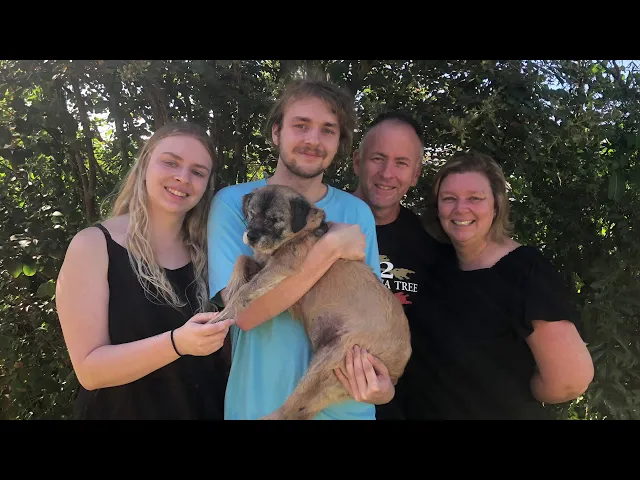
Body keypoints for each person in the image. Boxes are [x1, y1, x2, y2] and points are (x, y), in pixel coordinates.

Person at [207, 74, 387, 420]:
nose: (313, 140)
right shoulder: (234, 204)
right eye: (301, 125)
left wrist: (384, 387)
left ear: (339, 142)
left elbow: (372, 317)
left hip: (345, 407)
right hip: (259, 407)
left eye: (328, 130)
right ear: (277, 132)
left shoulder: (356, 212)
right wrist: (331, 247)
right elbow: (244, 314)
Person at [55, 121, 233, 420]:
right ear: (144, 164)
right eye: (170, 162)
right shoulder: (94, 246)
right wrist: (177, 343)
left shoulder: (210, 250)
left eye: (198, 172)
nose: (183, 177)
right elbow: (90, 371)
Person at [398, 150, 595, 419]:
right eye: (449, 199)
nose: (460, 208)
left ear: (496, 205)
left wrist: (513, 394)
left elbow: (569, 381)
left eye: (475, 198)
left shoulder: (525, 271)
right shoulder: (436, 264)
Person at [348, 111, 445, 419]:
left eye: (401, 163)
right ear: (357, 162)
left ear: (415, 174)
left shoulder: (431, 248)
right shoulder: (318, 221)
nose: (387, 173)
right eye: (378, 158)